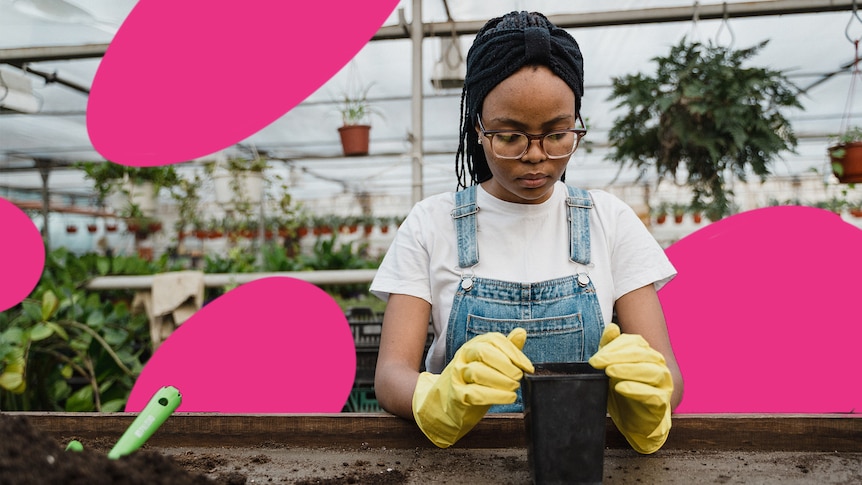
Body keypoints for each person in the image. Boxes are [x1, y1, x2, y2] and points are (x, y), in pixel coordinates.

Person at [370, 11, 683, 454]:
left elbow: (668, 374)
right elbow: (390, 375)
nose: (536, 156)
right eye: (510, 136)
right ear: (478, 128)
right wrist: (434, 396)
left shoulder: (609, 220)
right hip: (464, 464)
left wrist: (649, 399)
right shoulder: (430, 223)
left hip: (581, 462)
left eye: (557, 134)